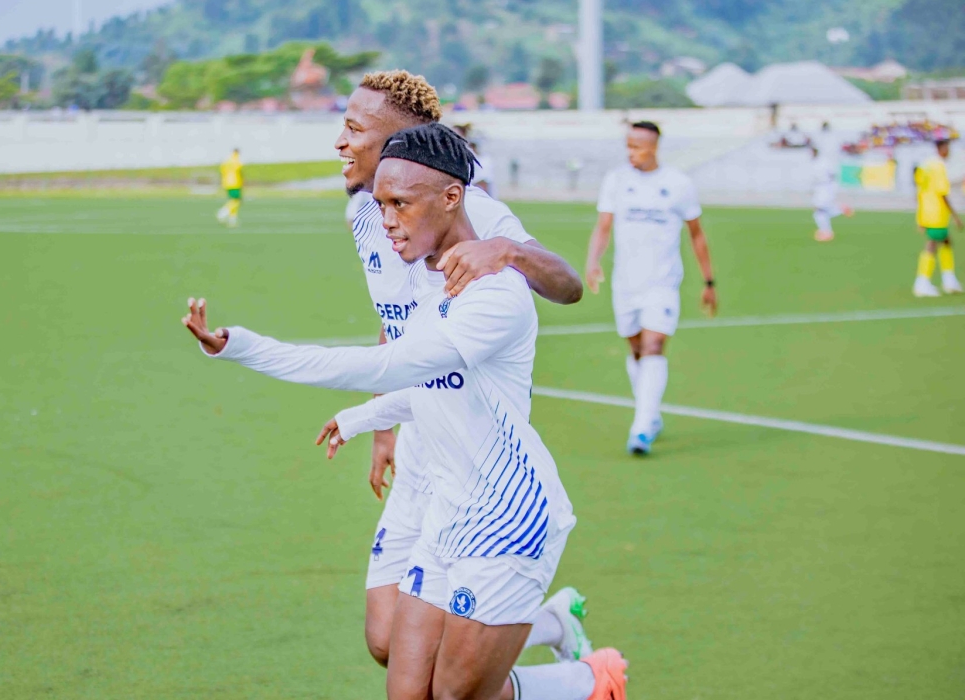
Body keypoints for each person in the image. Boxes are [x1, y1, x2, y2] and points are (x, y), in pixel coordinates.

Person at [184, 123, 627, 700]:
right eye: (381, 205)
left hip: (508, 521)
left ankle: (584, 682)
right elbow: (432, 386)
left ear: (451, 198)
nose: (386, 219)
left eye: (399, 205)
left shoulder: (496, 296)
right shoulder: (427, 276)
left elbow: (382, 368)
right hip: (448, 510)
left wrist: (239, 345)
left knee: (455, 697)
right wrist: (363, 421)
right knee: (406, 686)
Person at [336, 71, 605, 695]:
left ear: (401, 143)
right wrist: (382, 424)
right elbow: (397, 320)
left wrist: (506, 252)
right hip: (419, 440)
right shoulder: (365, 212)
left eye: (354, 129)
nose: (340, 143)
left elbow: (567, 284)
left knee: (448, 688)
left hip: (472, 461)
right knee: (386, 641)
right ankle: (552, 628)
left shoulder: (473, 206)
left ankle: (579, 682)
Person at [585, 121, 717, 456]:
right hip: (625, 283)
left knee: (654, 345)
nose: (631, 153)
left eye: (637, 147)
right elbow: (603, 226)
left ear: (654, 147)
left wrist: (708, 281)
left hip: (663, 282)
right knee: (637, 350)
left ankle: (641, 428)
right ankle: (651, 415)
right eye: (628, 146)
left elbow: (696, 234)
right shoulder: (617, 180)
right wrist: (593, 261)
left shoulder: (678, 184)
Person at [912, 139, 962, 296]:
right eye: (947, 148)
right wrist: (955, 216)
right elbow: (942, 192)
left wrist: (920, 216)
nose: (949, 151)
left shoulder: (926, 165)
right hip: (937, 212)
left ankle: (949, 280)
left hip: (927, 211)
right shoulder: (938, 166)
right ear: (942, 148)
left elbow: (920, 190)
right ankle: (922, 282)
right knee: (932, 244)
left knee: (946, 241)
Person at [811, 146, 853, 242]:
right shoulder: (815, 163)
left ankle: (827, 232)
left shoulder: (823, 162)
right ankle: (827, 230)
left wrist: (831, 187)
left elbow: (832, 174)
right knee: (819, 213)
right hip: (820, 187)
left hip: (826, 187)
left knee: (819, 209)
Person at [216, 148, 243, 227]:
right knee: (237, 201)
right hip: (235, 183)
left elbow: (222, 171)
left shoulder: (226, 161)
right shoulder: (237, 160)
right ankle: (223, 212)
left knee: (233, 200)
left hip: (227, 183)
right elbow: (240, 171)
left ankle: (232, 219)